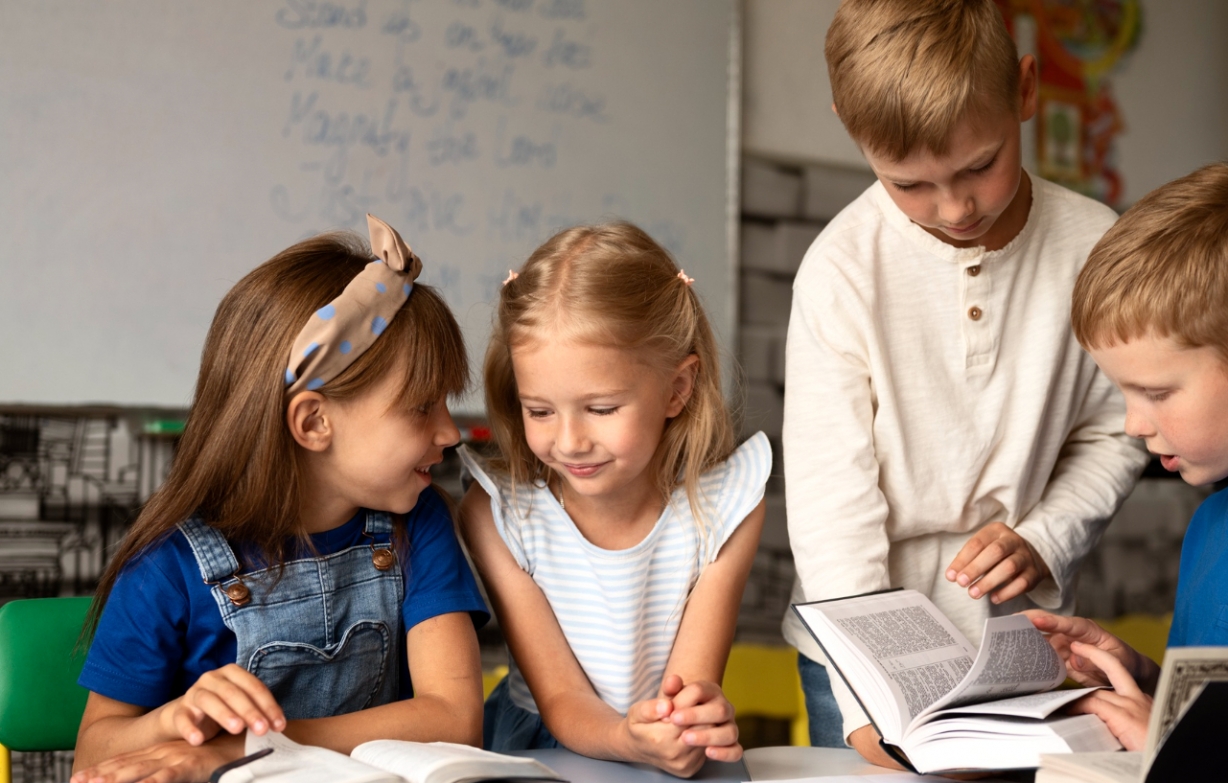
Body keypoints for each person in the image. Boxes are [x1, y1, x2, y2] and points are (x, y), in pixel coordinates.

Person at [781, 0, 1149, 765]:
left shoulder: (1098, 246)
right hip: (858, 660)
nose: (954, 207)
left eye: (979, 165)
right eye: (908, 184)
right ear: (857, 137)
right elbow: (831, 510)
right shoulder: (841, 269)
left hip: (1023, 646)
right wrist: (864, 703)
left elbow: (1119, 424)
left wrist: (1047, 534)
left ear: (1025, 89)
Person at [72, 216, 490, 783]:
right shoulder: (165, 569)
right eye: (422, 407)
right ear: (314, 422)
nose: (450, 432)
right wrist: (171, 722)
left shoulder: (419, 524)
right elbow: (95, 755)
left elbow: (454, 718)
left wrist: (242, 749)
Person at [1025, 163, 1228, 776]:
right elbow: (1219, 706)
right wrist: (1141, 678)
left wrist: (1172, 743)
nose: (1132, 424)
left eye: (1157, 393)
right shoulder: (1211, 522)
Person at [457, 223, 766, 778]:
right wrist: (628, 738)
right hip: (542, 750)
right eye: (540, 411)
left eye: (601, 409)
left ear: (677, 389)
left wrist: (690, 718)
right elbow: (561, 700)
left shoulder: (724, 510)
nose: (570, 441)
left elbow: (690, 683)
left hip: (655, 755)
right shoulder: (500, 516)